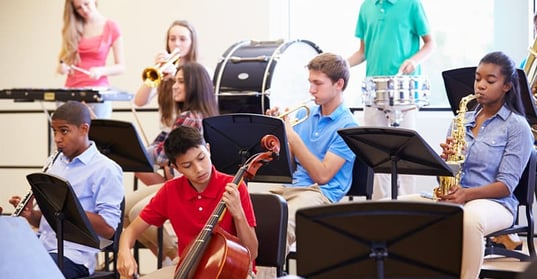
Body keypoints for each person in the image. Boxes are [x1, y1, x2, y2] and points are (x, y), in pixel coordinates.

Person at [401, 51, 534, 279]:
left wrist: (466, 195)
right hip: (458, 197)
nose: (480, 86)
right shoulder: (461, 120)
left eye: (490, 81)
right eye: (477, 78)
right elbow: (446, 177)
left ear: (507, 86)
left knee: (469, 220)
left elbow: (506, 185)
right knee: (397, 207)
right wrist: (446, 164)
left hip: (496, 203)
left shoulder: (517, 127)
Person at [117, 125, 258, 278]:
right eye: (187, 165)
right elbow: (131, 231)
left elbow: (252, 252)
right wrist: (124, 252)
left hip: (232, 270)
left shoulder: (234, 187)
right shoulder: (171, 190)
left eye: (201, 158)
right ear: (175, 167)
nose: (199, 169)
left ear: (208, 149)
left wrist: (238, 214)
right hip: (188, 268)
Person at [8, 101, 124, 279]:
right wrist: (31, 215)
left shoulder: (105, 168)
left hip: (75, 256)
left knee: (30, 274)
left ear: (84, 129)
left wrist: (69, 210)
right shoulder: (53, 162)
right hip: (42, 246)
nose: (57, 138)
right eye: (54, 131)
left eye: (64, 131)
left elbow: (108, 228)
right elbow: (53, 221)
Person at [124, 61, 219, 264]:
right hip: (175, 181)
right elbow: (162, 147)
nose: (174, 86)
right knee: (123, 210)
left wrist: (137, 148)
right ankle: (168, 258)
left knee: (135, 212)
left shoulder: (190, 117)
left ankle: (175, 255)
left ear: (195, 86)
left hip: (186, 183)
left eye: (181, 82)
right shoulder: (189, 115)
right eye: (175, 80)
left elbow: (161, 154)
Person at [265, 53, 358, 252]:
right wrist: (278, 134)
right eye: (310, 82)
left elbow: (322, 176)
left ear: (339, 84)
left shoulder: (348, 127)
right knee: (248, 222)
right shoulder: (303, 114)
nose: (311, 89)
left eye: (318, 83)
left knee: (273, 235)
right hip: (290, 188)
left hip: (320, 194)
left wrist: (291, 136)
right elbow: (289, 165)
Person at [347, 0, 435, 200]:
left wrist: (414, 60)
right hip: (374, 91)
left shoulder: (412, 4)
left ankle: (407, 209)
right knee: (376, 156)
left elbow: (430, 43)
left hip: (403, 91)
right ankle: (380, 209)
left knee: (407, 156)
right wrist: (342, 64)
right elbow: (362, 52)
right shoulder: (366, 6)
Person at [133, 19, 200, 186]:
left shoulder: (199, 71)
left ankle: (168, 194)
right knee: (135, 160)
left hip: (186, 136)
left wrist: (175, 77)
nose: (177, 43)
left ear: (192, 43)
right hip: (166, 135)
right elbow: (139, 101)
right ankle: (165, 193)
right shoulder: (163, 70)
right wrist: (158, 70)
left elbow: (195, 109)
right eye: (172, 39)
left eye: (183, 39)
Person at [56, 0, 125, 118]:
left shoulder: (111, 26)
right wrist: (62, 68)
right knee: (66, 134)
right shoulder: (72, 28)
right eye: (78, 8)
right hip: (71, 89)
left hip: (97, 91)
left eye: (86, 4)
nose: (84, 10)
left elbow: (121, 67)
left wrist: (100, 71)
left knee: (99, 133)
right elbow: (64, 60)